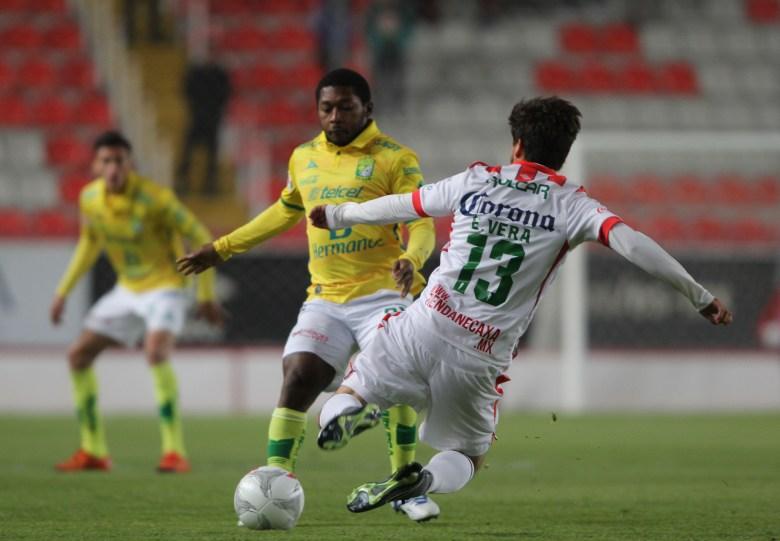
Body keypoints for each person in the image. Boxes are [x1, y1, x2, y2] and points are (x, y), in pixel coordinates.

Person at [310, 96, 733, 514]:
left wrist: (339, 215)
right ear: (564, 155)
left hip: (422, 325)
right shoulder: (573, 205)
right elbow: (633, 244)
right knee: (469, 455)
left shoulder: (475, 180)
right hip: (479, 355)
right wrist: (699, 295)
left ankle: (349, 414)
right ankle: (423, 481)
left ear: (516, 145)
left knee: (351, 390)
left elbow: (406, 204)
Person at [176, 69, 440, 521]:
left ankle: (404, 487)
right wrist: (221, 249)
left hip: (383, 293)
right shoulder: (303, 157)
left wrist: (413, 260)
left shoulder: (396, 158)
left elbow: (421, 222)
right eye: (326, 107)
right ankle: (274, 483)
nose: (334, 116)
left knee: (394, 382)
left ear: (367, 109)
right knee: (297, 377)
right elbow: (283, 212)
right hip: (326, 297)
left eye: (345, 107)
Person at [51, 131, 221, 473]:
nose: (113, 168)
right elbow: (89, 244)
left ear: (131, 165)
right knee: (78, 356)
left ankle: (174, 452)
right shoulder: (90, 199)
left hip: (167, 286)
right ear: (95, 166)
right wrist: (63, 291)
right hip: (127, 289)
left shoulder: (158, 199)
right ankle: (94, 450)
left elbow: (202, 237)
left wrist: (205, 293)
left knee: (155, 350)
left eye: (119, 161)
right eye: (106, 161)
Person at [175, 58, 232, 196]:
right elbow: (186, 90)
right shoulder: (197, 73)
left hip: (211, 120)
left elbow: (227, 93)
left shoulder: (218, 74)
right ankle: (183, 181)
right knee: (189, 151)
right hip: (199, 118)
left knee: (211, 154)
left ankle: (210, 184)